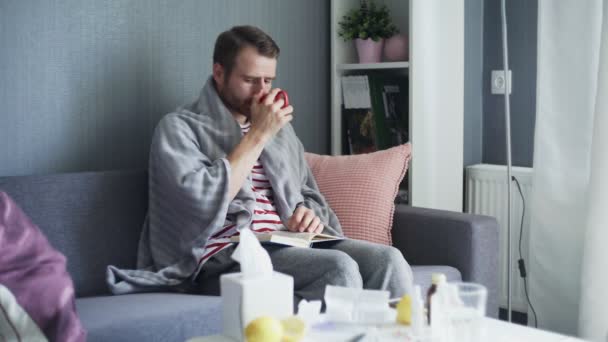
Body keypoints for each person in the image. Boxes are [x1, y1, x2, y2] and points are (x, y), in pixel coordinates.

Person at [107, 25, 413, 304]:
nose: (261, 92)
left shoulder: (281, 132)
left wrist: (306, 215)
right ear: (219, 72)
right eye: (250, 80)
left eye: (268, 81)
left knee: (389, 259)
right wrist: (258, 134)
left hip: (289, 243)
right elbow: (197, 202)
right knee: (337, 268)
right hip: (225, 256)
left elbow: (308, 194)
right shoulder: (178, 128)